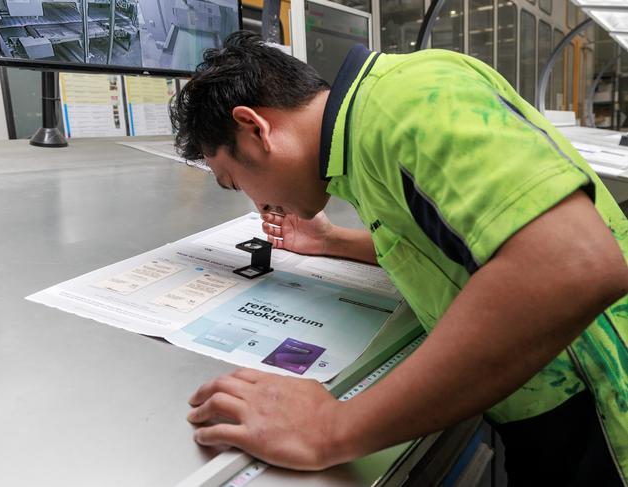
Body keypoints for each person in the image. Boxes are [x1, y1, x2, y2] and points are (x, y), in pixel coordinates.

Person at [170, 31, 628, 485]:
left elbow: (572, 264)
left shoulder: (406, 101)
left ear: (254, 129)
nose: (258, 204)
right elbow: (457, 240)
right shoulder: (358, 147)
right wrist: (332, 242)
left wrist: (332, 428)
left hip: (604, 414)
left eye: (235, 182)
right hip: (545, 410)